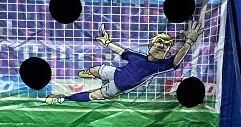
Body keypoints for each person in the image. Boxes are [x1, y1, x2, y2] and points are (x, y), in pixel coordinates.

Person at [46, 20, 203, 103]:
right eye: (158, 42)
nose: (161, 46)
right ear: (150, 45)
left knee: (92, 96)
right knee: (96, 69)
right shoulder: (137, 57)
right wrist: (107, 43)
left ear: (168, 52)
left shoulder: (161, 66)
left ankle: (63, 98)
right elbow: (120, 50)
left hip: (117, 87)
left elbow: (176, 60)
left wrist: (188, 42)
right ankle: (90, 74)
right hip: (115, 72)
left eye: (165, 45)